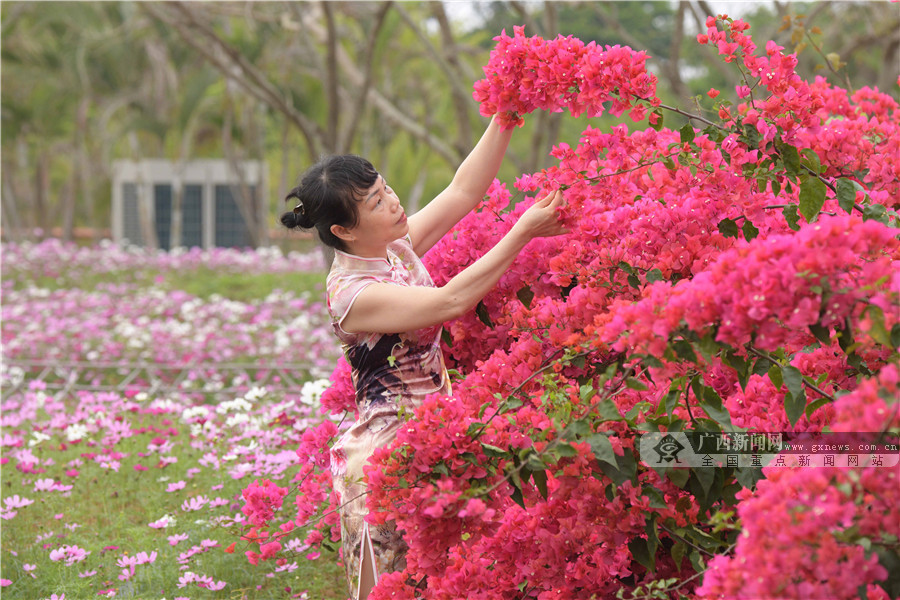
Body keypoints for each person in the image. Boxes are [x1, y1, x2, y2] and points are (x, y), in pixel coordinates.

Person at [281, 115, 566, 599]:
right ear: (343, 231)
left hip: (438, 440)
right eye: (376, 202)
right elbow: (449, 303)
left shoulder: (393, 250)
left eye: (386, 189)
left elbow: (462, 192)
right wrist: (521, 233)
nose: (393, 201)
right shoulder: (352, 292)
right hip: (385, 462)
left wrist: (506, 114)